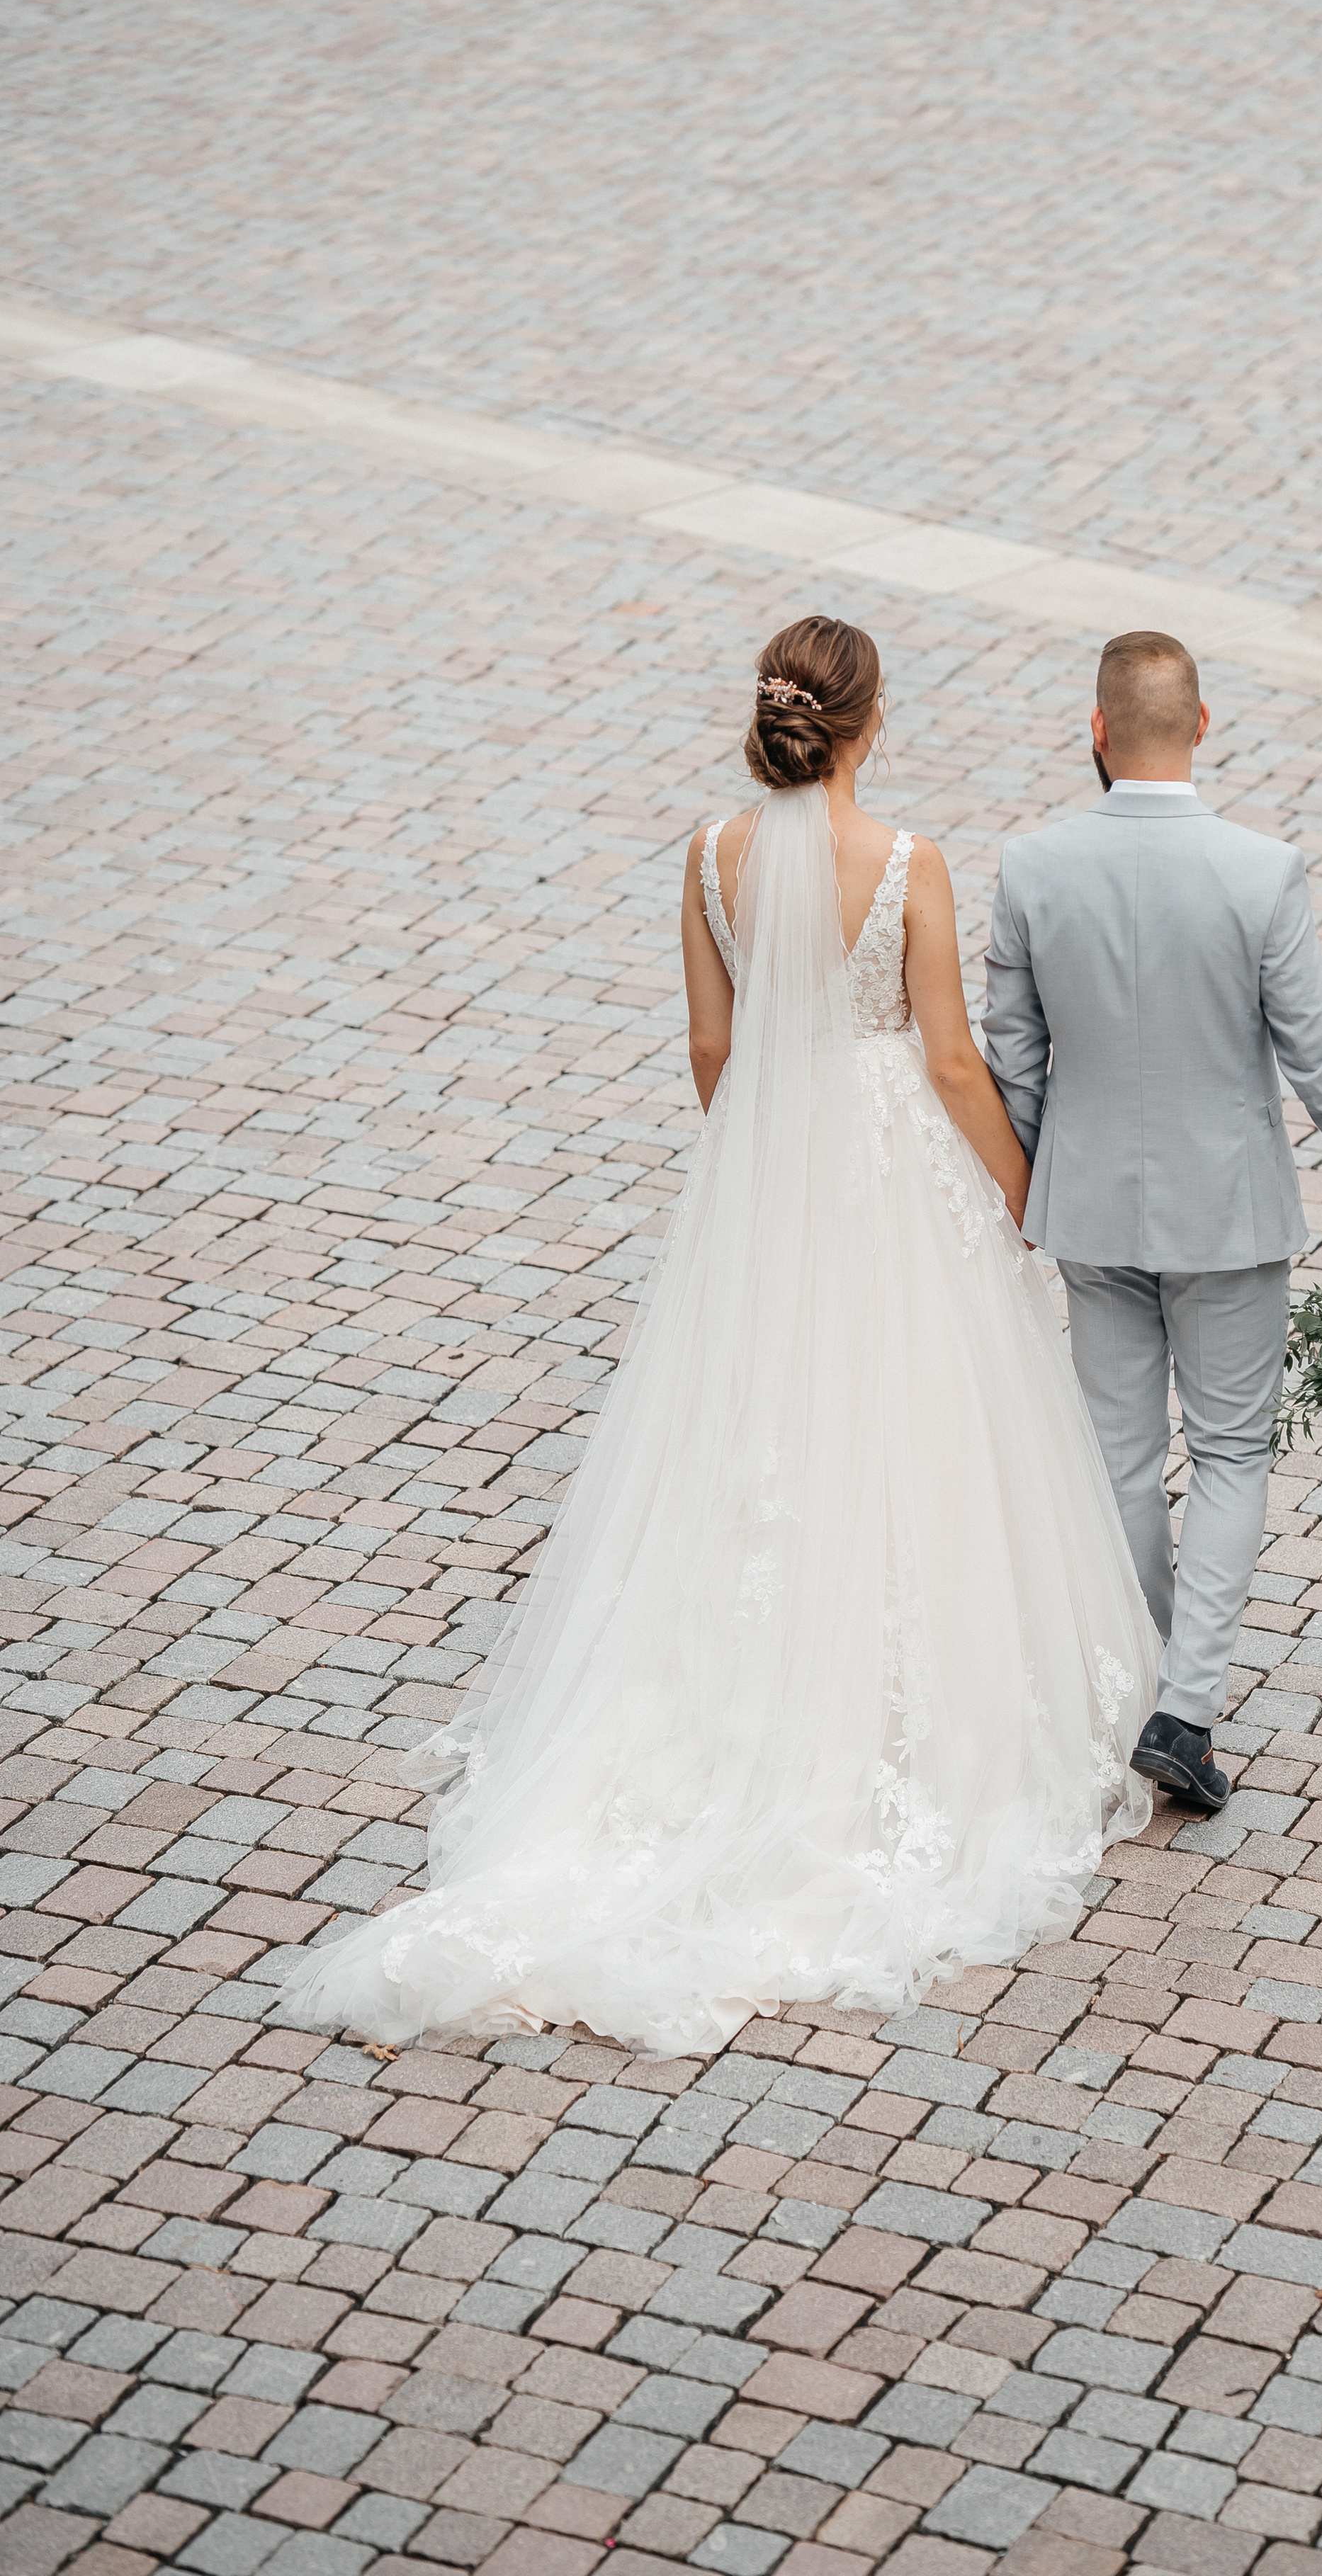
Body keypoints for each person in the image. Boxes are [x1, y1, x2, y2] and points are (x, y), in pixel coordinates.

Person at [281, 615, 1158, 2056]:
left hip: (781, 1163)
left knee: (756, 1436)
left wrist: (760, 1169)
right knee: (910, 1425)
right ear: (870, 725)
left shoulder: (706, 857)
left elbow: (711, 1050)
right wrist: (1019, 1195)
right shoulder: (912, 865)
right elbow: (946, 1057)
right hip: (893, 1170)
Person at [983, 630, 1322, 1820]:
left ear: (1096, 729)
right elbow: (1317, 1052)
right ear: (1205, 724)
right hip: (1228, 1216)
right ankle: (1186, 1707)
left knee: (1118, 1460)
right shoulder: (1259, 870)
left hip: (1084, 1208)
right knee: (1229, 1454)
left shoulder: (1033, 866)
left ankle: (1155, 1687)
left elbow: (1012, 1055)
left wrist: (1019, 1190)